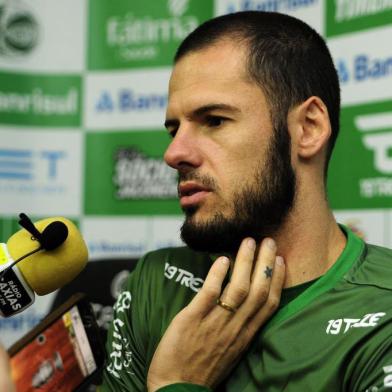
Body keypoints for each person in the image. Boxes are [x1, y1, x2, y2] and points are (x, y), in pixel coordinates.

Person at [0, 10, 391, 392]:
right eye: (174, 128)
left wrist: (175, 383)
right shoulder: (157, 280)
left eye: (214, 120)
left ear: (308, 128)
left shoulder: (383, 310)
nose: (173, 153)